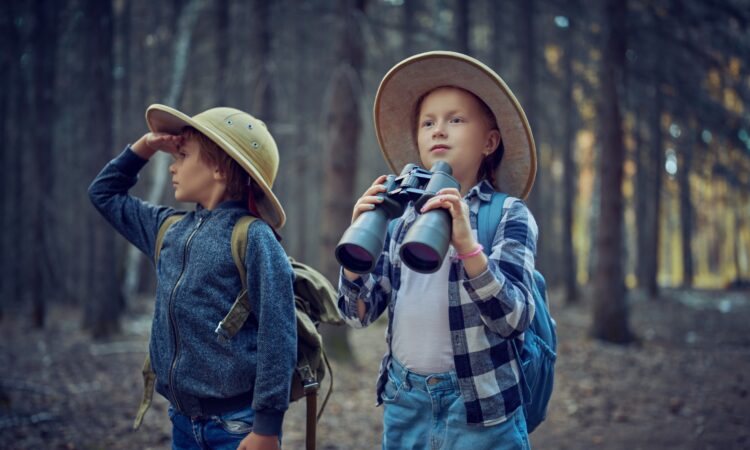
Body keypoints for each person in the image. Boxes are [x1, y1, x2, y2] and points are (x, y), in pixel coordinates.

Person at [337, 51, 539, 449]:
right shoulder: (399, 218)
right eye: (427, 122)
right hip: (404, 400)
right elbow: (357, 315)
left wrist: (468, 247)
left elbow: (514, 319)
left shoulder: (508, 214)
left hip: (481, 406)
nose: (438, 130)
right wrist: (357, 255)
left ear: (489, 141)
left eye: (456, 119)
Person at [89, 105, 296, 450]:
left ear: (217, 166)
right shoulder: (167, 229)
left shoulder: (254, 237)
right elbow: (103, 194)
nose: (172, 165)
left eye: (183, 155)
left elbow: (279, 333)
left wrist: (267, 428)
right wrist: (145, 147)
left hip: (237, 427)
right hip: (183, 423)